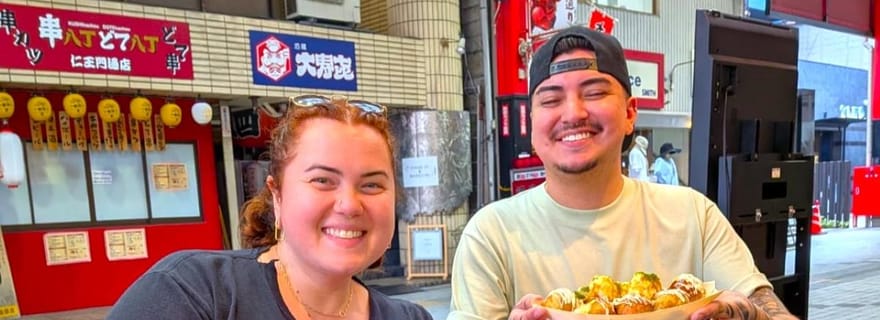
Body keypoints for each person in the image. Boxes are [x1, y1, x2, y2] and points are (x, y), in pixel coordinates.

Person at [448, 26, 797, 320]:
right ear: (532, 123)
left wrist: (752, 315)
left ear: (630, 113)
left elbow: (772, 310)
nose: (573, 113)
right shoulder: (491, 235)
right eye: (551, 100)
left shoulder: (694, 215)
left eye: (594, 93)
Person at [108, 95, 433, 320]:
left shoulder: (409, 317)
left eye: (372, 185)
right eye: (322, 180)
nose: (349, 205)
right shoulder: (193, 293)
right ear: (277, 195)